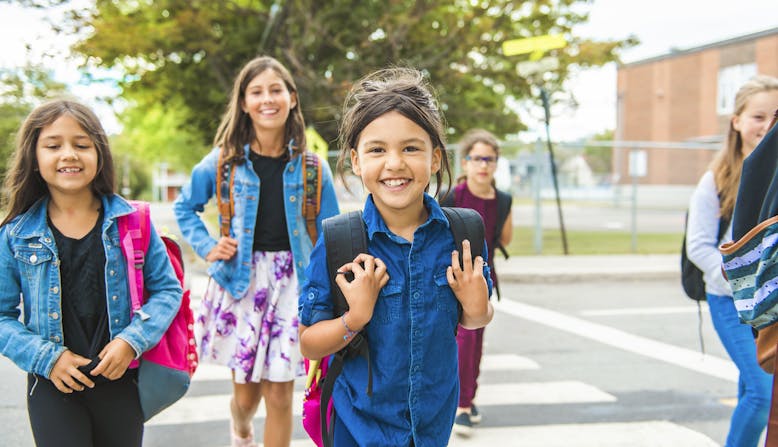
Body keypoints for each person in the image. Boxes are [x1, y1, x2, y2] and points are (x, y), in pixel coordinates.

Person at [298, 67, 494, 446]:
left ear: (435, 158)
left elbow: (475, 318)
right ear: (356, 161)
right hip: (358, 429)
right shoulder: (341, 240)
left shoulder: (463, 234)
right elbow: (308, 342)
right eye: (377, 150)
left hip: (432, 428)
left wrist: (478, 307)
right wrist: (355, 317)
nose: (394, 163)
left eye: (410, 148)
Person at [174, 55, 339, 447]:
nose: (268, 99)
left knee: (281, 394)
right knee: (246, 397)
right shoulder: (223, 163)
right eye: (257, 91)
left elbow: (333, 235)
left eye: (276, 89)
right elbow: (185, 207)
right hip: (240, 281)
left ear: (292, 98)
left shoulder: (314, 168)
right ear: (244, 102)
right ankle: (242, 427)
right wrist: (209, 244)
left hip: (294, 284)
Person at [0, 99, 182, 447]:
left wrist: (132, 341)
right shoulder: (15, 235)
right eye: (53, 145)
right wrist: (46, 359)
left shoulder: (134, 222)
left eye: (82, 145)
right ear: (34, 159)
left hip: (120, 384)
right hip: (53, 386)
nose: (69, 154)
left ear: (99, 155)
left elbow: (167, 291)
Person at [686, 74, 778, 447]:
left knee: (752, 391)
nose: (765, 125)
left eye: (773, 116)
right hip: (731, 300)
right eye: (757, 116)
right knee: (762, 391)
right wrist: (740, 278)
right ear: (736, 121)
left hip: (770, 302)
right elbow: (699, 246)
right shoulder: (716, 179)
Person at [442, 129, 513, 436]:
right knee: (452, 341)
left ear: (496, 163)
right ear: (466, 161)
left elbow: (504, 238)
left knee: (473, 341)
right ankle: (456, 402)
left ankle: (465, 402)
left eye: (489, 159)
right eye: (476, 158)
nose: (483, 165)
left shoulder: (503, 200)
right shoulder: (452, 196)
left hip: (482, 278)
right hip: (449, 277)